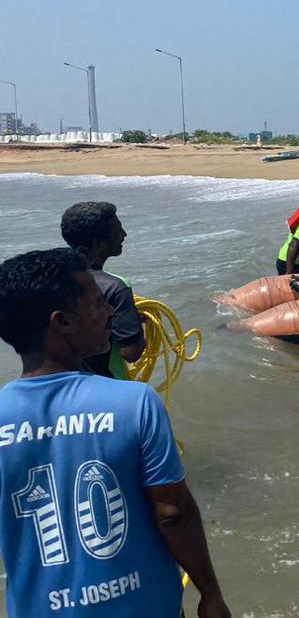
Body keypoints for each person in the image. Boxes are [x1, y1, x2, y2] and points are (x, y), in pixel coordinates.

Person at [0, 248, 229, 618]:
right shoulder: (134, 403)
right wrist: (211, 595)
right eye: (96, 304)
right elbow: (172, 512)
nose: (109, 313)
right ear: (62, 322)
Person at [59, 202, 146, 380]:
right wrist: (133, 324)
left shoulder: (50, 278)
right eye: (117, 232)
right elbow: (131, 352)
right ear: (98, 244)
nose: (124, 235)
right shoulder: (116, 287)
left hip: (61, 383)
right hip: (105, 384)